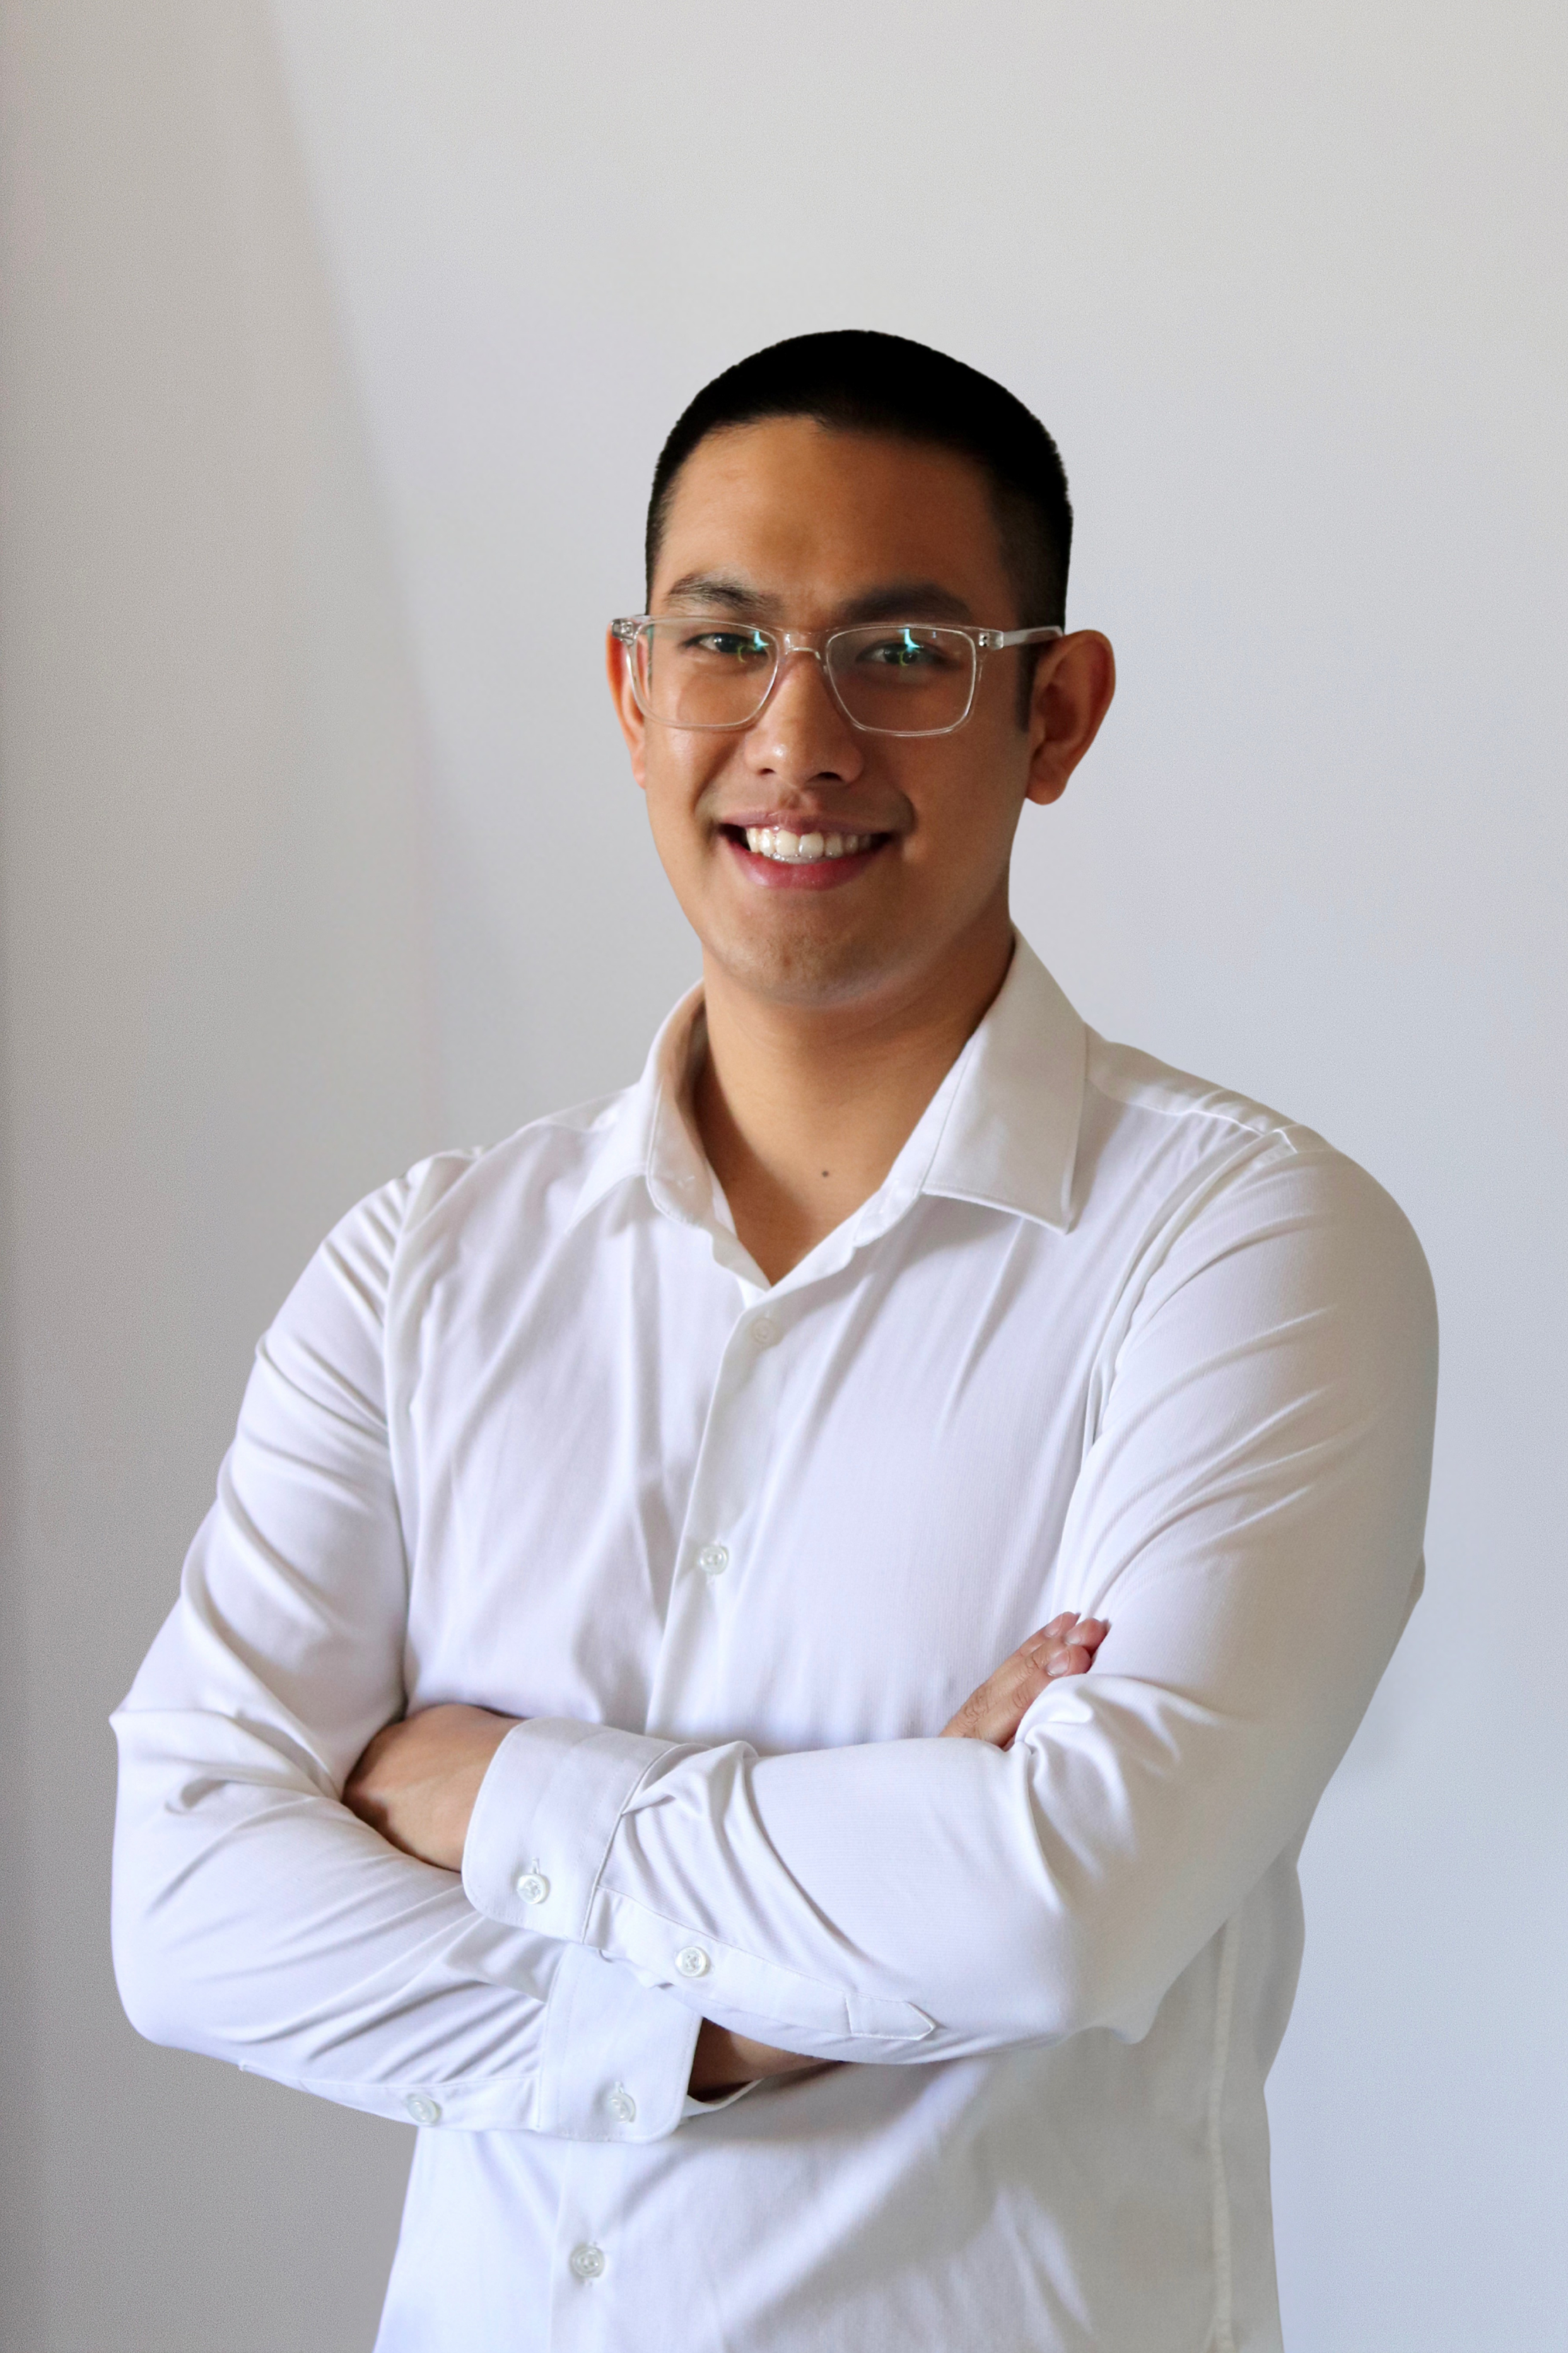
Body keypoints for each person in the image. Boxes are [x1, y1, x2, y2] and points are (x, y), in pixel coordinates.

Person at [111, 330, 1437, 2353]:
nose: (797, 739)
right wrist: (722, 2030)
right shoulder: (422, 1269)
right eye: (726, 643)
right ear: (633, 693)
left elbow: (1059, 1910)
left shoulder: (1243, 1249)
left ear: (1055, 712)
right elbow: (190, 1914)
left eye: (903, 654)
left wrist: (500, 1797)